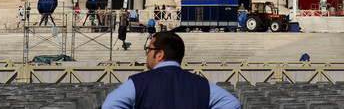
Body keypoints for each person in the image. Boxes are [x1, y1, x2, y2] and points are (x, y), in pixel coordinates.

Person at [101, 31, 240, 109]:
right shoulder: (203, 85)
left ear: (160, 54)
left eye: (149, 49)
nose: (146, 54)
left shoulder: (137, 83)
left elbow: (110, 105)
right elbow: (233, 104)